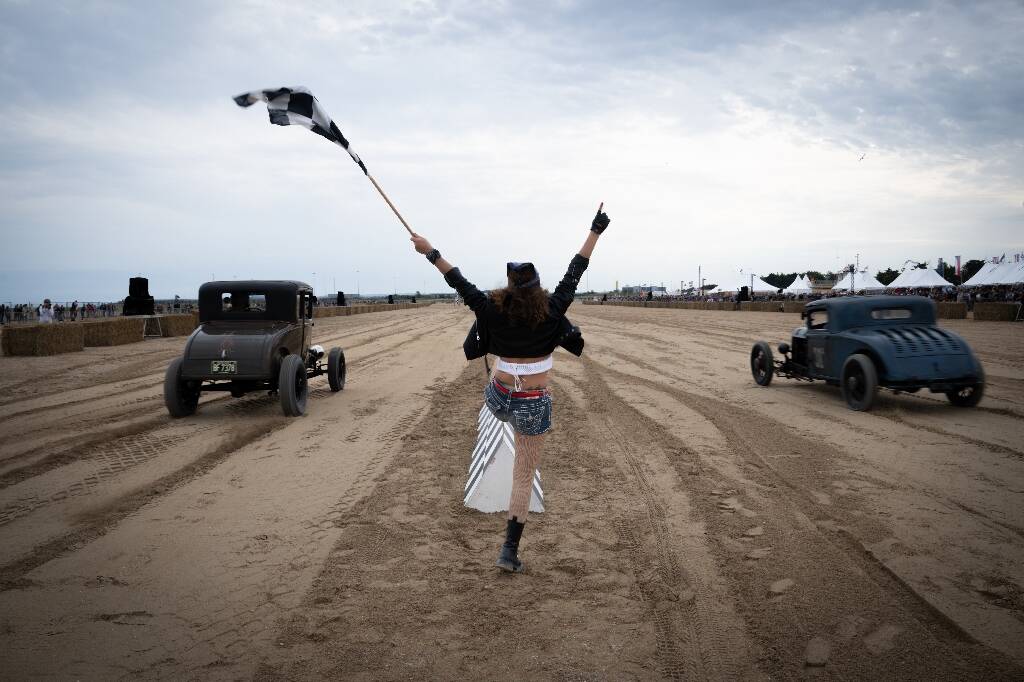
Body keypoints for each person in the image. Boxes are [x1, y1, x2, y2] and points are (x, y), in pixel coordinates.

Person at [410, 206, 610, 573]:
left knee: (500, 393)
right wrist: (595, 230)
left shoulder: (490, 309)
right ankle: (508, 551)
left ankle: (508, 548)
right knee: (522, 475)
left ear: (508, 287)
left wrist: (430, 252)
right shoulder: (553, 309)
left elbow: (458, 281)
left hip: (498, 397)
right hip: (532, 402)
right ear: (537, 289)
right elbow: (576, 269)